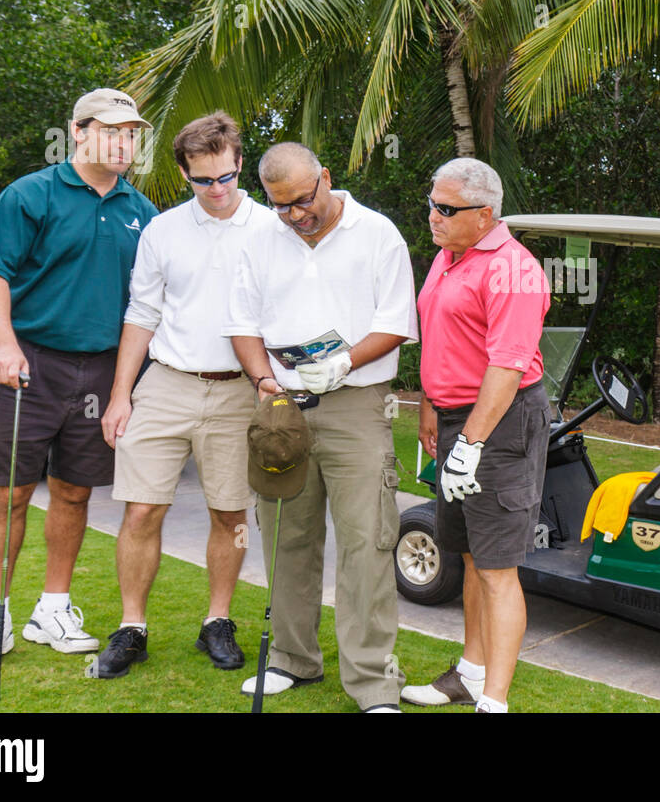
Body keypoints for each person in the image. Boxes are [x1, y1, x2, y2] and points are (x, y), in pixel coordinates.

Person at [0, 88, 158, 671]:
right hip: (27, 365)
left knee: (74, 492)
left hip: (99, 369)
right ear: (78, 131)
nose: (124, 143)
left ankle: (54, 606)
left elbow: (143, 306)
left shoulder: (140, 212)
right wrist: (2, 343)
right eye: (112, 130)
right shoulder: (30, 195)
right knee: (9, 495)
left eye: (132, 134)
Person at [223, 142, 418, 712]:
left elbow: (396, 322)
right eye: (281, 206)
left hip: (357, 402)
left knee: (366, 542)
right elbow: (241, 323)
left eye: (303, 201)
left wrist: (345, 361)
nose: (295, 215)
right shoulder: (260, 239)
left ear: (325, 178)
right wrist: (262, 380)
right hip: (282, 405)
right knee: (286, 535)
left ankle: (374, 683)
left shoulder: (378, 233)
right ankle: (292, 659)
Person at [92, 111, 279, 678]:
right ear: (183, 174)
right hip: (167, 382)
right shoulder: (161, 230)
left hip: (238, 392)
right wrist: (120, 393)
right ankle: (132, 628)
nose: (217, 191)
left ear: (240, 164)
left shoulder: (274, 228)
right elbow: (142, 313)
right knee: (143, 507)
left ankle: (217, 622)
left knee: (230, 513)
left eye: (225, 177)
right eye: (203, 181)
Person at [401, 157, 551, 714]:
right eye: (431, 205)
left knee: (498, 569)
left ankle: (494, 701)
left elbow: (506, 367)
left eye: (446, 209)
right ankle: (468, 673)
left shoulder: (514, 269)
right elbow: (441, 341)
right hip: (455, 416)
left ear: (485, 214)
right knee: (467, 555)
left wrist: (472, 443)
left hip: (501, 421)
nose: (433, 217)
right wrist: (430, 411)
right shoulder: (447, 258)